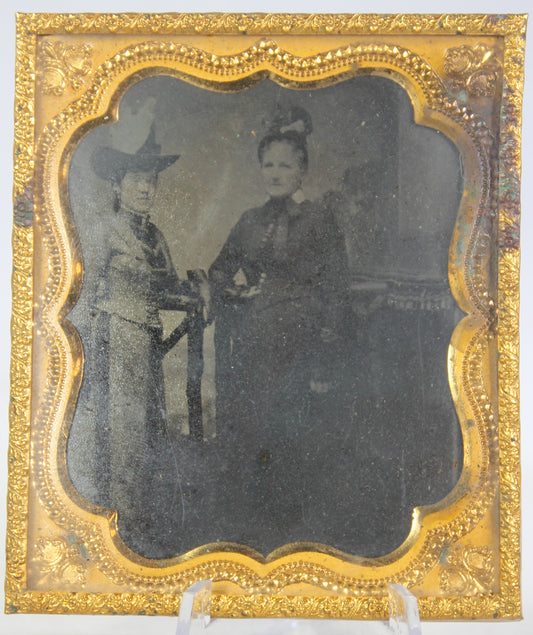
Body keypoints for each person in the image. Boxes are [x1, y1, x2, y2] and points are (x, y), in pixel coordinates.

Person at [209, 106, 349, 551]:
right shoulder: (250, 220)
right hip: (255, 341)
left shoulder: (321, 220)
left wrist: (326, 353)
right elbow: (219, 271)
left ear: (303, 170)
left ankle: (293, 531)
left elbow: (337, 288)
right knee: (251, 425)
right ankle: (251, 528)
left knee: (293, 428)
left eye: (285, 164)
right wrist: (237, 294)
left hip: (304, 342)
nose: (275, 173)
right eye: (268, 164)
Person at [75, 125, 189, 558]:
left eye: (151, 181)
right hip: (113, 341)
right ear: (117, 185)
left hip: (147, 343)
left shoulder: (155, 236)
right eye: (137, 180)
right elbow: (83, 293)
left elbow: (170, 287)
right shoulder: (105, 230)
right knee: (121, 430)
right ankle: (120, 529)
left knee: (146, 430)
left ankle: (141, 522)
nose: (145, 188)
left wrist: (198, 290)